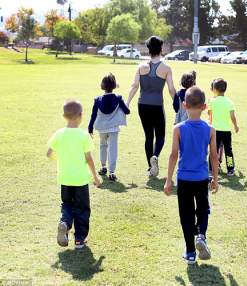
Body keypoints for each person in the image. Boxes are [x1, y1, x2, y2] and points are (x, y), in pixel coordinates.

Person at [164, 86, 219, 264]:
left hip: (184, 179)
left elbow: (173, 156)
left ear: (184, 105)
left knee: (186, 215)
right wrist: (215, 179)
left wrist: (168, 180)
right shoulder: (210, 129)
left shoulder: (178, 129)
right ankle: (201, 235)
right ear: (204, 107)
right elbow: (214, 157)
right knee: (202, 209)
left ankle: (189, 252)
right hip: (202, 178)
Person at [47, 100, 101, 249]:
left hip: (65, 178)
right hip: (80, 180)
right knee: (82, 209)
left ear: (64, 116)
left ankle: (65, 223)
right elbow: (88, 159)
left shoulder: (59, 133)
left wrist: (63, 160)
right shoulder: (83, 135)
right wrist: (96, 177)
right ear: (80, 116)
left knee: (67, 205)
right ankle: (79, 240)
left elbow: (49, 153)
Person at [127, 36, 176, 177]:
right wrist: (177, 103)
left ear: (148, 50)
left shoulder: (141, 67)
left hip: (142, 105)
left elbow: (134, 86)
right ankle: (155, 156)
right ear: (161, 49)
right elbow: (171, 89)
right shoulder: (166, 68)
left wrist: (127, 102)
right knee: (160, 136)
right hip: (157, 106)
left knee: (148, 136)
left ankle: (150, 167)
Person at [88, 73, 130, 181]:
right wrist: (123, 104)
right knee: (113, 149)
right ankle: (112, 172)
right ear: (114, 85)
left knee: (103, 146)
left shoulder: (97, 99)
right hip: (114, 128)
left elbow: (93, 115)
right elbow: (127, 111)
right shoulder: (118, 98)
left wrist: (90, 127)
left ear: (102, 86)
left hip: (101, 127)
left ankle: (103, 167)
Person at [208, 78, 239, 176]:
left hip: (214, 130)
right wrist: (236, 126)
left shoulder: (212, 101)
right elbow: (233, 117)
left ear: (215, 89)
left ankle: (211, 169)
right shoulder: (229, 102)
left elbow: (210, 116)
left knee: (213, 150)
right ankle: (230, 169)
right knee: (228, 150)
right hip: (226, 131)